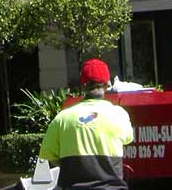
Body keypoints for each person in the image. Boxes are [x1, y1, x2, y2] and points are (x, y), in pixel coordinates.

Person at [38, 59, 134, 190]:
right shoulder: (119, 115)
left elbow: (49, 155)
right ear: (107, 84)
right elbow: (128, 139)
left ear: (82, 85)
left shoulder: (62, 118)